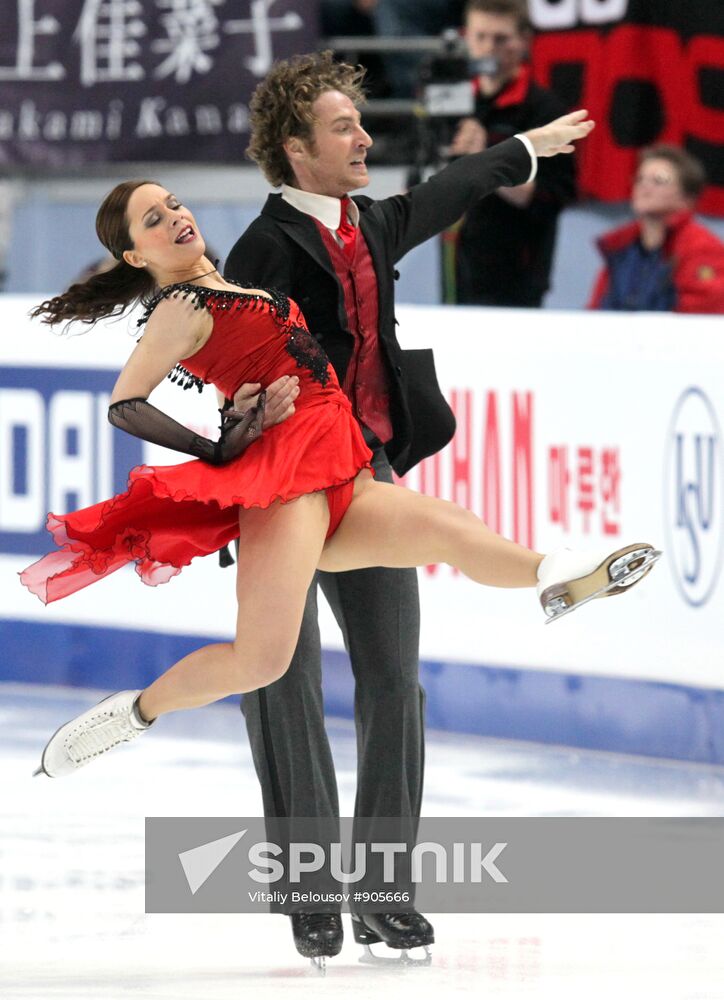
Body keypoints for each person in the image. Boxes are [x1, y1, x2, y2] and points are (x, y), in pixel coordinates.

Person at [22, 177, 658, 940]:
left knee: (449, 527)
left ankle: (560, 576)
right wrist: (218, 446)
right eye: (154, 220)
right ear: (135, 252)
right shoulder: (181, 308)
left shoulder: (224, 287)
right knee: (262, 661)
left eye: (176, 205)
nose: (177, 218)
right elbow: (127, 401)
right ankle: (133, 714)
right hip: (286, 481)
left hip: (341, 462)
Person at [222, 49, 587, 963]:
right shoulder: (262, 248)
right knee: (281, 677)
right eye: (345, 126)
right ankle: (310, 887)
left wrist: (522, 148)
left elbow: (452, 187)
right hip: (280, 490)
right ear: (296, 150)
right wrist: (244, 420)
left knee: (394, 681)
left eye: (361, 122)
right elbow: (216, 372)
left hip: (369, 477)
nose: (365, 139)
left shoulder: (372, 223)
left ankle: (384, 889)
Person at [449, 0, 575, 307]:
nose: (489, 48)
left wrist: (485, 158)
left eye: (501, 38)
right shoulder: (455, 101)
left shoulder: (545, 111)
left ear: (524, 41)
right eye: (479, 37)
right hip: (459, 259)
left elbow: (551, 197)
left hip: (519, 267)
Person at [588, 145, 724, 314]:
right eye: (639, 179)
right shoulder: (619, 247)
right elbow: (596, 312)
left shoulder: (702, 247)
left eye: (659, 180)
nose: (644, 186)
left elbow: (702, 315)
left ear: (687, 198)